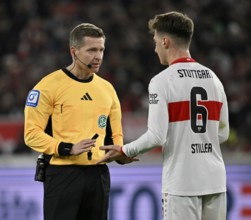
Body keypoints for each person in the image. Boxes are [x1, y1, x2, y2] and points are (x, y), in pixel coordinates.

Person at [96, 11, 229, 220]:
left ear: (165, 41)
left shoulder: (162, 81)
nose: (155, 47)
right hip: (215, 180)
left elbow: (157, 136)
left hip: (182, 183)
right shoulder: (213, 78)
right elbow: (223, 133)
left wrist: (124, 150)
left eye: (156, 41)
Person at [24, 23, 136, 220]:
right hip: (62, 175)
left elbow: (115, 134)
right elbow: (31, 135)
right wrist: (67, 148)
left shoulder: (107, 89)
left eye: (101, 49)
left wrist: (120, 154)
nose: (98, 56)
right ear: (73, 51)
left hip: (98, 175)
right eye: (91, 50)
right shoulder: (47, 87)